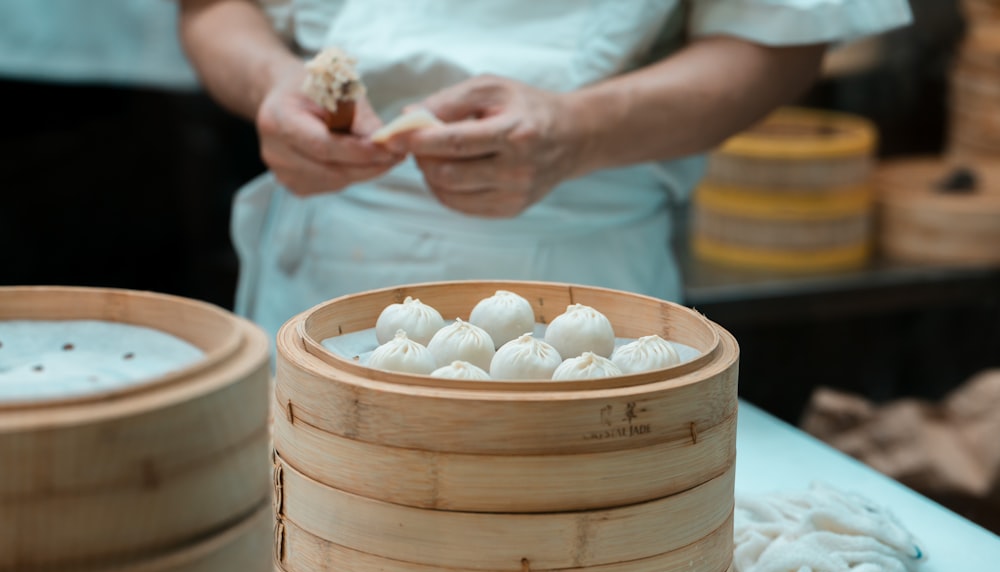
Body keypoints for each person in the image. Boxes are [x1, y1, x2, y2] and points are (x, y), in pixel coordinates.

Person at [177, 0, 912, 342]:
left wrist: (580, 131)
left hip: (577, 290)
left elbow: (784, 36)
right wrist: (271, 83)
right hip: (316, 259)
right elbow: (212, 8)